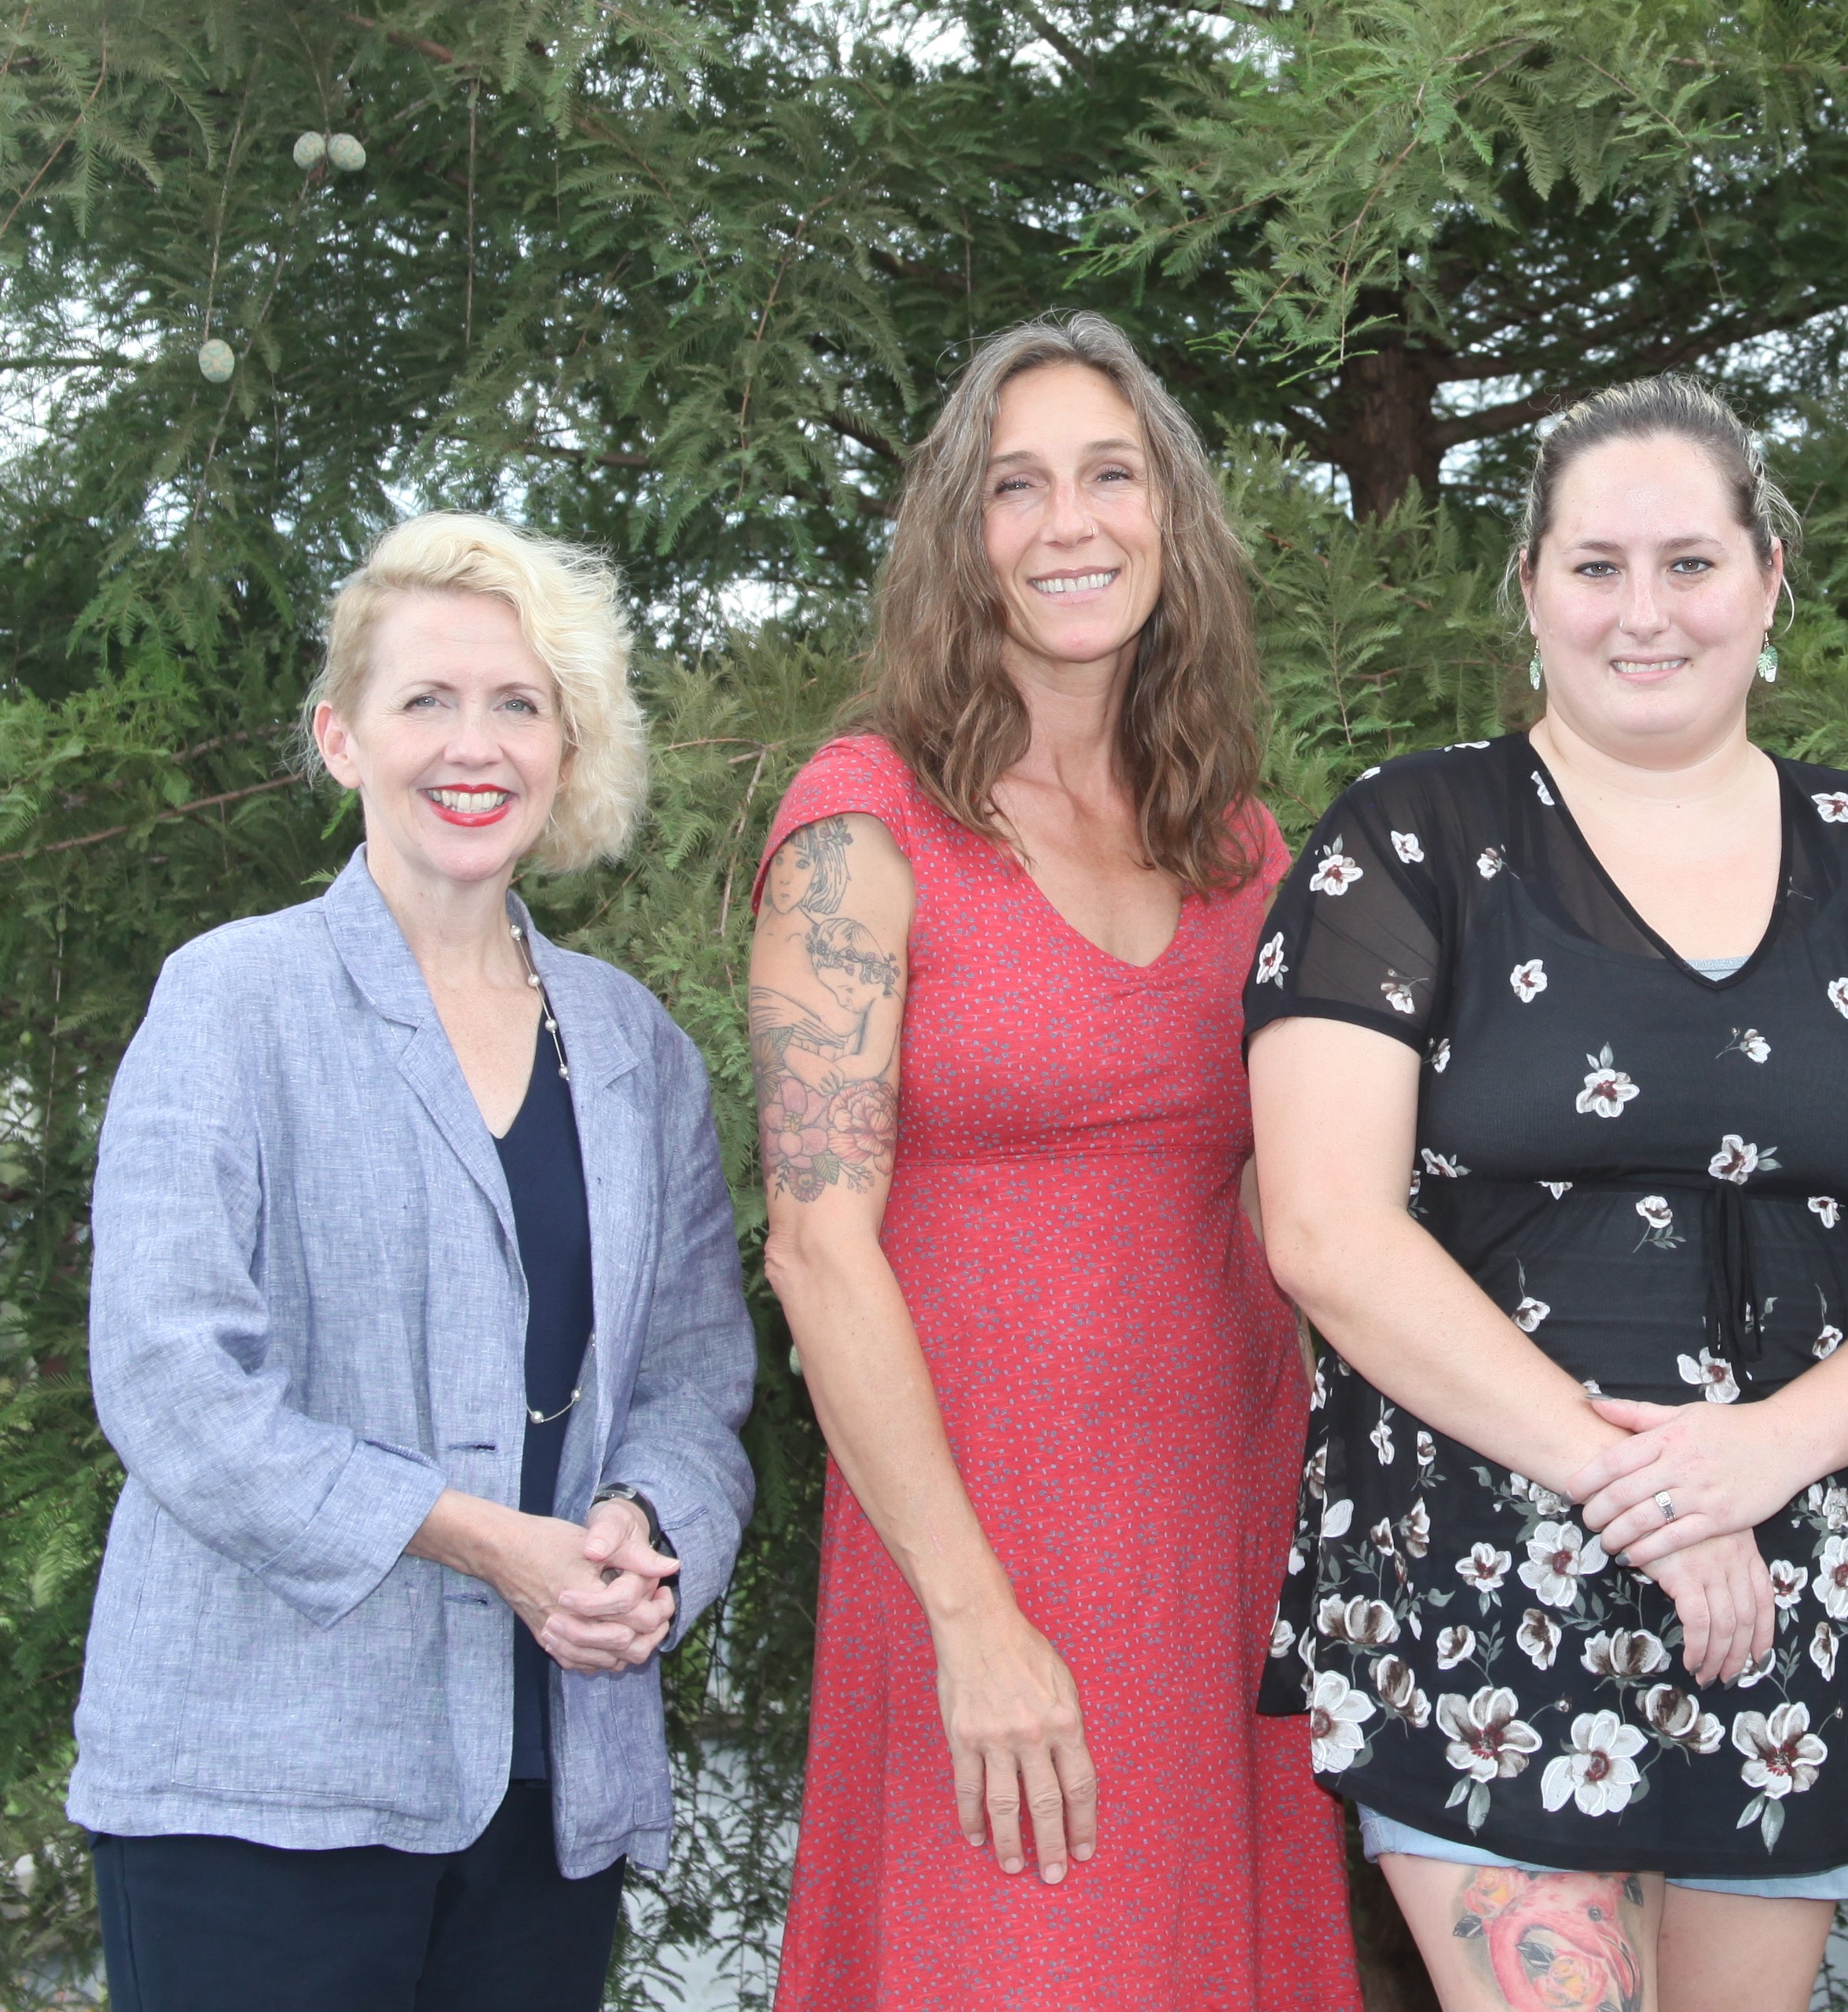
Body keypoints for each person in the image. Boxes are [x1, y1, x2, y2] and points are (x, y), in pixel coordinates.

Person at [1246, 376, 1848, 2011]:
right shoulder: (1401, 845)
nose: (1646, 611)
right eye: (1597, 565)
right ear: (1531, 590)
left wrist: (1763, 1456)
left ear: (1770, 578)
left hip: (1816, 1568)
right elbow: (1328, 1233)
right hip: (1487, 1567)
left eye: (1691, 563)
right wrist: (1651, 1496)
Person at [71, 512, 758, 2012]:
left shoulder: (636, 1045)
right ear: (339, 736)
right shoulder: (231, 998)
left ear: (567, 748)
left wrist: (643, 1533)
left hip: (544, 1796)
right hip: (257, 1789)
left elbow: (701, 1383)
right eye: (427, 700)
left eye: (520, 703)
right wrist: (480, 1536)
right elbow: (171, 1379)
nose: (477, 744)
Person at [759, 313, 1356, 2005]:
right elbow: (815, 1249)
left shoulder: (1241, 844)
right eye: (1017, 487)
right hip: (981, 1543)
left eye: (1111, 474)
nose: (1068, 522)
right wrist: (971, 1615)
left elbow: (1301, 1219)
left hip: (1219, 1550)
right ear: (965, 535)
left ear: (1174, 519)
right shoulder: (862, 824)